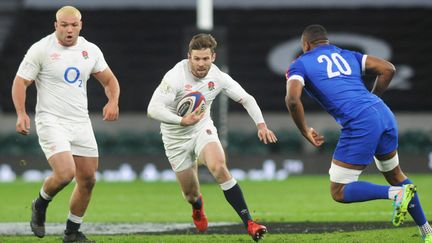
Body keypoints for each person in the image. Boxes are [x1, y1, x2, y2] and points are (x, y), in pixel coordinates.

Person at [285, 24, 432, 242]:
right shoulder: (348, 55)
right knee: (395, 175)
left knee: (339, 190)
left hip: (360, 122)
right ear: (326, 41)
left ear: (306, 45)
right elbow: (388, 69)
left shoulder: (299, 64)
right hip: (383, 114)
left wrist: (305, 130)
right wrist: (373, 98)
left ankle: (396, 195)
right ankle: (427, 231)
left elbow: (292, 98)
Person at [147, 33, 277, 241]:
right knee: (191, 194)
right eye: (197, 58)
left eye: (205, 59)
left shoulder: (218, 77)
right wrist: (182, 121)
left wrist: (261, 125)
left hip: (201, 129)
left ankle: (250, 223)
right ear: (189, 56)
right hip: (175, 138)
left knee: (218, 167)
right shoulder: (175, 77)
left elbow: (247, 99)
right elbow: (153, 109)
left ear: (213, 57)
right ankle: (198, 207)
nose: (201, 64)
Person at [11, 6, 120, 243]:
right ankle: (40, 203)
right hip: (51, 120)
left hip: (80, 121)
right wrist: (21, 113)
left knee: (88, 179)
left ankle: (71, 232)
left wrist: (113, 100)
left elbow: (109, 80)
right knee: (65, 173)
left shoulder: (90, 50)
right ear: (55, 25)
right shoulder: (41, 49)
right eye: (64, 25)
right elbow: (20, 82)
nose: (69, 30)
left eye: (74, 25)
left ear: (81, 25)